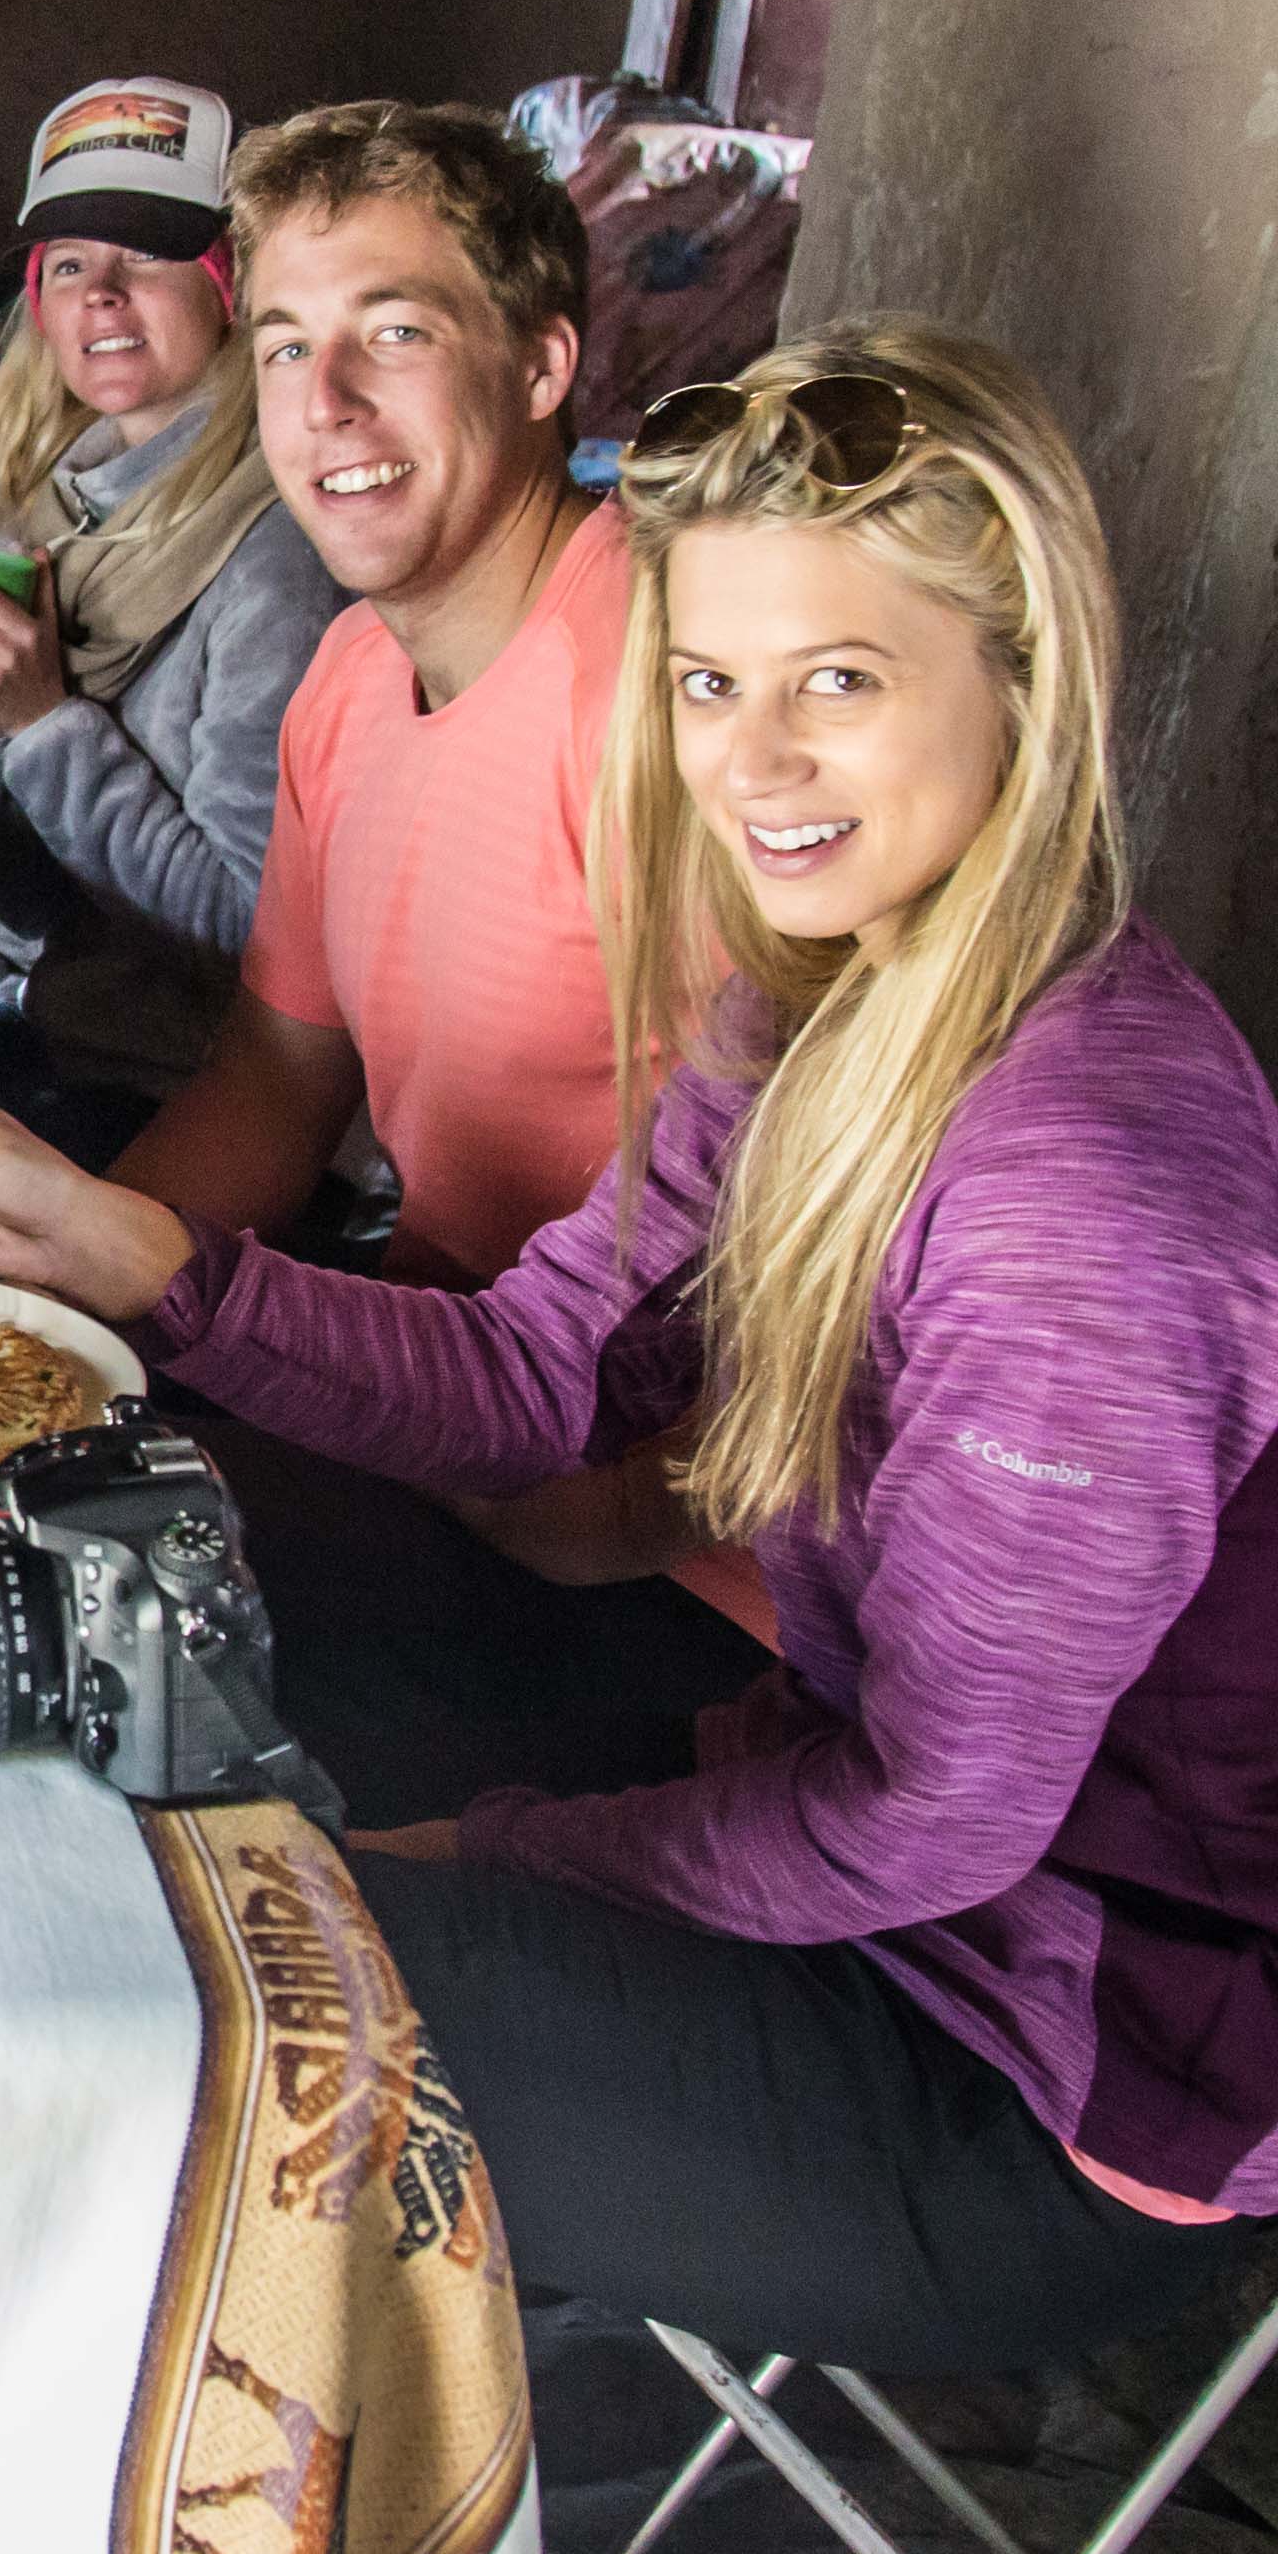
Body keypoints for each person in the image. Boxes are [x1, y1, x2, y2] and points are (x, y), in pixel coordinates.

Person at [0, 323, 1278, 2372]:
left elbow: (926, 1819)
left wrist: (472, 1852)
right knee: (110, 1563)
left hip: (1043, 2086)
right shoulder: (820, 998)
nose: (750, 762)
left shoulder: (1079, 1196)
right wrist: (133, 1257)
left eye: (838, 678)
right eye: (707, 682)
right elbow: (528, 1377)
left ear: (1023, 682)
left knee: (181, 1988)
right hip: (863, 1884)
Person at [98, 101, 774, 1744]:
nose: (322, 405)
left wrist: (622, 1514)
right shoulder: (350, 679)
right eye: (279, 345)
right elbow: (275, 1074)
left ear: (542, 366)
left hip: (663, 1564)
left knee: (71, 1673)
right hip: (430, 1400)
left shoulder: (670, 693)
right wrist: (29, 1290)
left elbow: (858, 1209)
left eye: (391, 334)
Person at [0, 78, 342, 1169]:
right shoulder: (57, 506)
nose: (103, 293)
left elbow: (253, 936)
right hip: (81, 1026)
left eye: (147, 255)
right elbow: (36, 902)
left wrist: (42, 722)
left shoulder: (277, 558)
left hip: (211, 1106)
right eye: (71, 264)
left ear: (232, 283)